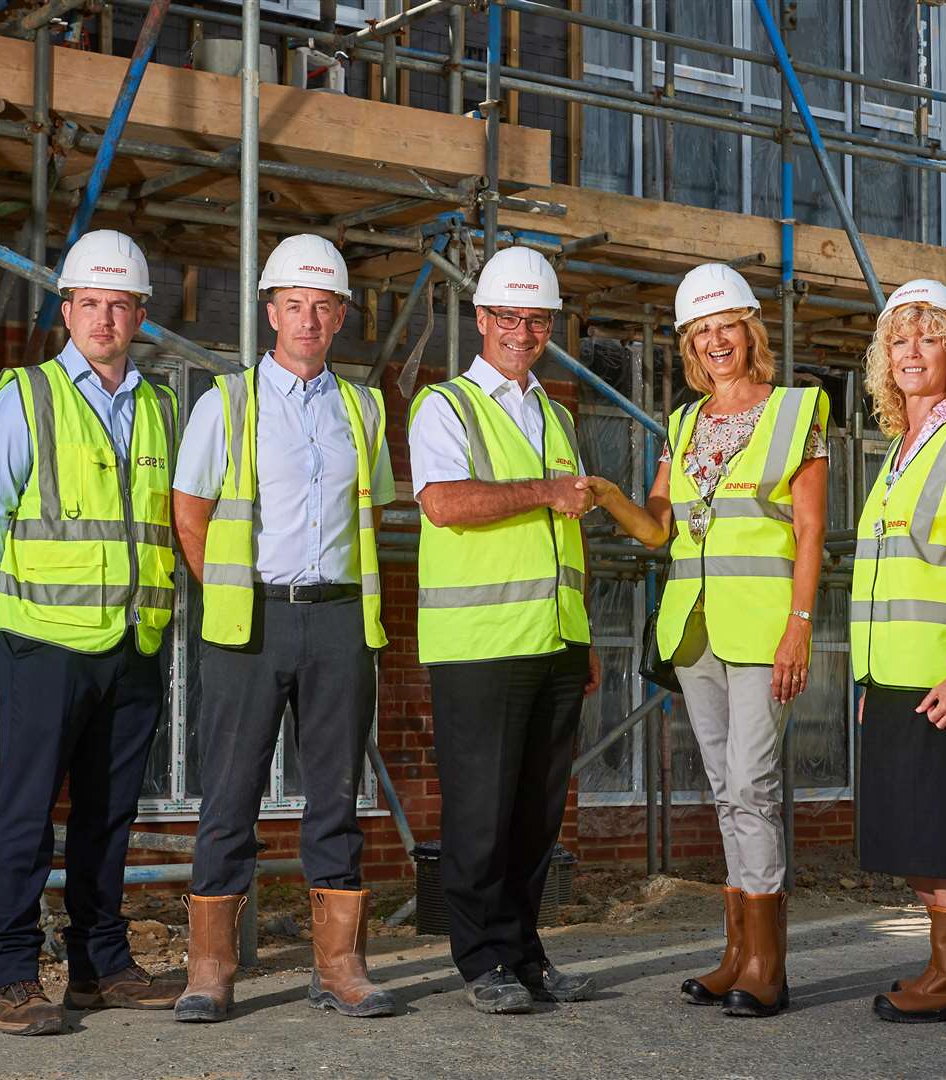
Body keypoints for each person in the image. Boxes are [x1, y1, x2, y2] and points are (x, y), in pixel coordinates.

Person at [583, 262, 828, 1019]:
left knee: (752, 786)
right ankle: (737, 954)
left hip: (762, 630)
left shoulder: (796, 411)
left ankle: (768, 966)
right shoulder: (682, 423)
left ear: (749, 331)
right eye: (700, 332)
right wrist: (611, 496)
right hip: (692, 630)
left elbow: (812, 529)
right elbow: (660, 530)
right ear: (689, 345)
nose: (714, 341)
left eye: (725, 327)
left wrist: (799, 626)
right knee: (725, 791)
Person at [0, 229, 182, 1036]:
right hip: (44, 642)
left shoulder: (159, 407)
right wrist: (31, 589)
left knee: (108, 814)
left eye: (120, 305)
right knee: (24, 813)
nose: (105, 319)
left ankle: (98, 966)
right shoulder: (28, 396)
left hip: (134, 643)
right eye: (91, 303)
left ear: (140, 316)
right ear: (68, 310)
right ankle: (11, 975)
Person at [169, 234, 396, 1023]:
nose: (307, 320)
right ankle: (211, 972)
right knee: (228, 796)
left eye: (321, 307)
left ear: (339, 318)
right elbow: (189, 514)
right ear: (271, 312)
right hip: (250, 623)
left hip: (337, 620)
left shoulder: (362, 408)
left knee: (335, 795)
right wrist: (231, 595)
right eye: (293, 305)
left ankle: (339, 967)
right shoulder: (225, 402)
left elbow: (372, 513)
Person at [407, 246, 601, 1015]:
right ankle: (480, 957)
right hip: (479, 645)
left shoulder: (553, 413)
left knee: (535, 812)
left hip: (552, 640)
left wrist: (579, 637)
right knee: (480, 812)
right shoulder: (444, 406)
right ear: (481, 319)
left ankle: (524, 952)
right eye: (508, 318)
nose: (522, 332)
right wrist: (544, 491)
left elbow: (570, 532)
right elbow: (445, 504)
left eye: (537, 320)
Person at [851, 279, 946, 1024]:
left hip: (939, 674)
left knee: (935, 830)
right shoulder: (898, 450)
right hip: (889, 674)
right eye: (898, 339)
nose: (910, 352)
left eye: (927, 337)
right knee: (905, 830)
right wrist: (866, 676)